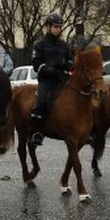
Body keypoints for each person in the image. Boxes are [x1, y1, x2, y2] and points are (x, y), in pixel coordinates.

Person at [29, 13, 73, 146]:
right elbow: (36, 64)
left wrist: (71, 65)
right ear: (48, 27)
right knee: (42, 102)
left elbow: (69, 60)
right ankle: (35, 132)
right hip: (46, 80)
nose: (57, 29)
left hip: (62, 79)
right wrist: (49, 69)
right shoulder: (39, 44)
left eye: (59, 27)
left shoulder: (64, 45)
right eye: (55, 27)